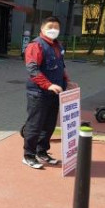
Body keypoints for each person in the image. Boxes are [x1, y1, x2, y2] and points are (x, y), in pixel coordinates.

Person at [23, 16, 77, 169]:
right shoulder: (36, 46)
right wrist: (48, 85)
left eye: (56, 27)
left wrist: (67, 81)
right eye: (50, 26)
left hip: (55, 92)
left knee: (49, 125)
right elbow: (32, 69)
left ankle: (42, 151)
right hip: (39, 93)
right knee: (35, 125)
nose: (53, 30)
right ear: (42, 29)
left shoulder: (57, 45)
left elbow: (61, 66)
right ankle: (28, 155)